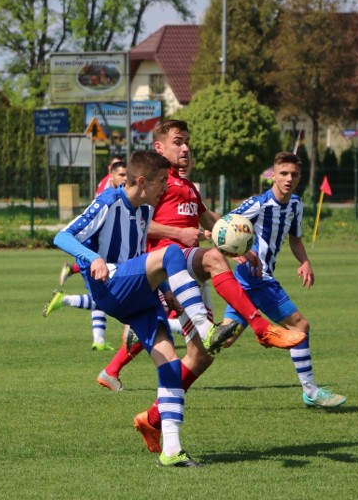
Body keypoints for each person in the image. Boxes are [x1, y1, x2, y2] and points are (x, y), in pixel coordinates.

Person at [99, 119, 306, 454]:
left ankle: (151, 418)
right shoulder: (156, 183)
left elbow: (208, 218)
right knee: (213, 261)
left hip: (188, 269)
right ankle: (261, 327)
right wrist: (178, 234)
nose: (185, 148)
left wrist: (242, 245)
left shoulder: (187, 186)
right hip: (165, 270)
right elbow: (139, 224)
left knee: (201, 357)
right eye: (178, 142)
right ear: (159, 148)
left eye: (187, 142)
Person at [50, 150, 215, 467]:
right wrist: (93, 258)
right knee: (170, 253)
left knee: (169, 364)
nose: (166, 188)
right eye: (161, 182)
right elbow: (62, 235)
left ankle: (172, 451)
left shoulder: (144, 211)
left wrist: (167, 292)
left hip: (138, 294)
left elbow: (140, 259)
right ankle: (206, 328)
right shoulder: (108, 201)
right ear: (142, 181)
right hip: (111, 286)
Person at [215, 152, 347, 408]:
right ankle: (311, 391)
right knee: (300, 326)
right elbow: (223, 227)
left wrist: (304, 261)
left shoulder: (296, 204)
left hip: (249, 282)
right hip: (256, 278)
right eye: (283, 173)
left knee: (224, 338)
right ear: (272, 175)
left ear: (300, 177)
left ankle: (175, 324)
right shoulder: (259, 203)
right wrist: (236, 255)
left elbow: (295, 239)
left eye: (294, 174)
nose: (288, 178)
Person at [52, 159, 128, 350]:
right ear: (111, 174)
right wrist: (93, 257)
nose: (125, 178)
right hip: (92, 254)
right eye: (121, 174)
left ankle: (99, 340)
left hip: (102, 255)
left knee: (103, 300)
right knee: (105, 300)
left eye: (128, 175)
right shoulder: (107, 194)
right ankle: (65, 299)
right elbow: (86, 224)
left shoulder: (125, 193)